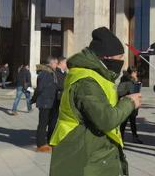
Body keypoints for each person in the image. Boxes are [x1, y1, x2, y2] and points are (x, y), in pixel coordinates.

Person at [49, 27, 142, 176]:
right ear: (105, 57)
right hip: (84, 152)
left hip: (93, 149)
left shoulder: (95, 75)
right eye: (119, 57)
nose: (121, 63)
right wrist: (129, 103)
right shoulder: (87, 82)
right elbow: (105, 119)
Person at [34, 56, 59, 152]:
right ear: (51, 63)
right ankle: (40, 144)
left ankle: (49, 141)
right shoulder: (45, 73)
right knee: (43, 123)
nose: (56, 65)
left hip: (50, 101)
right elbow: (40, 88)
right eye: (56, 63)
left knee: (50, 123)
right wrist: (35, 99)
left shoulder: (51, 72)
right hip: (45, 102)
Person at [118, 67, 142, 144]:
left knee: (133, 121)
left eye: (136, 72)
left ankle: (135, 137)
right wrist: (128, 91)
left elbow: (137, 91)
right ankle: (120, 139)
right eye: (134, 72)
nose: (136, 73)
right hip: (125, 104)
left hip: (133, 104)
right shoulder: (124, 80)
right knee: (123, 123)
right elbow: (119, 92)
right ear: (130, 73)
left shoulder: (136, 80)